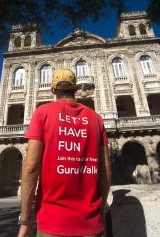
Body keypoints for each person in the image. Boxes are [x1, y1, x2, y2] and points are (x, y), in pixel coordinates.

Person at [17, 69, 111, 237]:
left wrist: (25, 221)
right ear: (75, 89)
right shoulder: (96, 118)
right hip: (91, 224)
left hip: (52, 224)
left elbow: (31, 168)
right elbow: (105, 169)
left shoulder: (42, 113)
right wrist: (101, 209)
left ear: (53, 90)